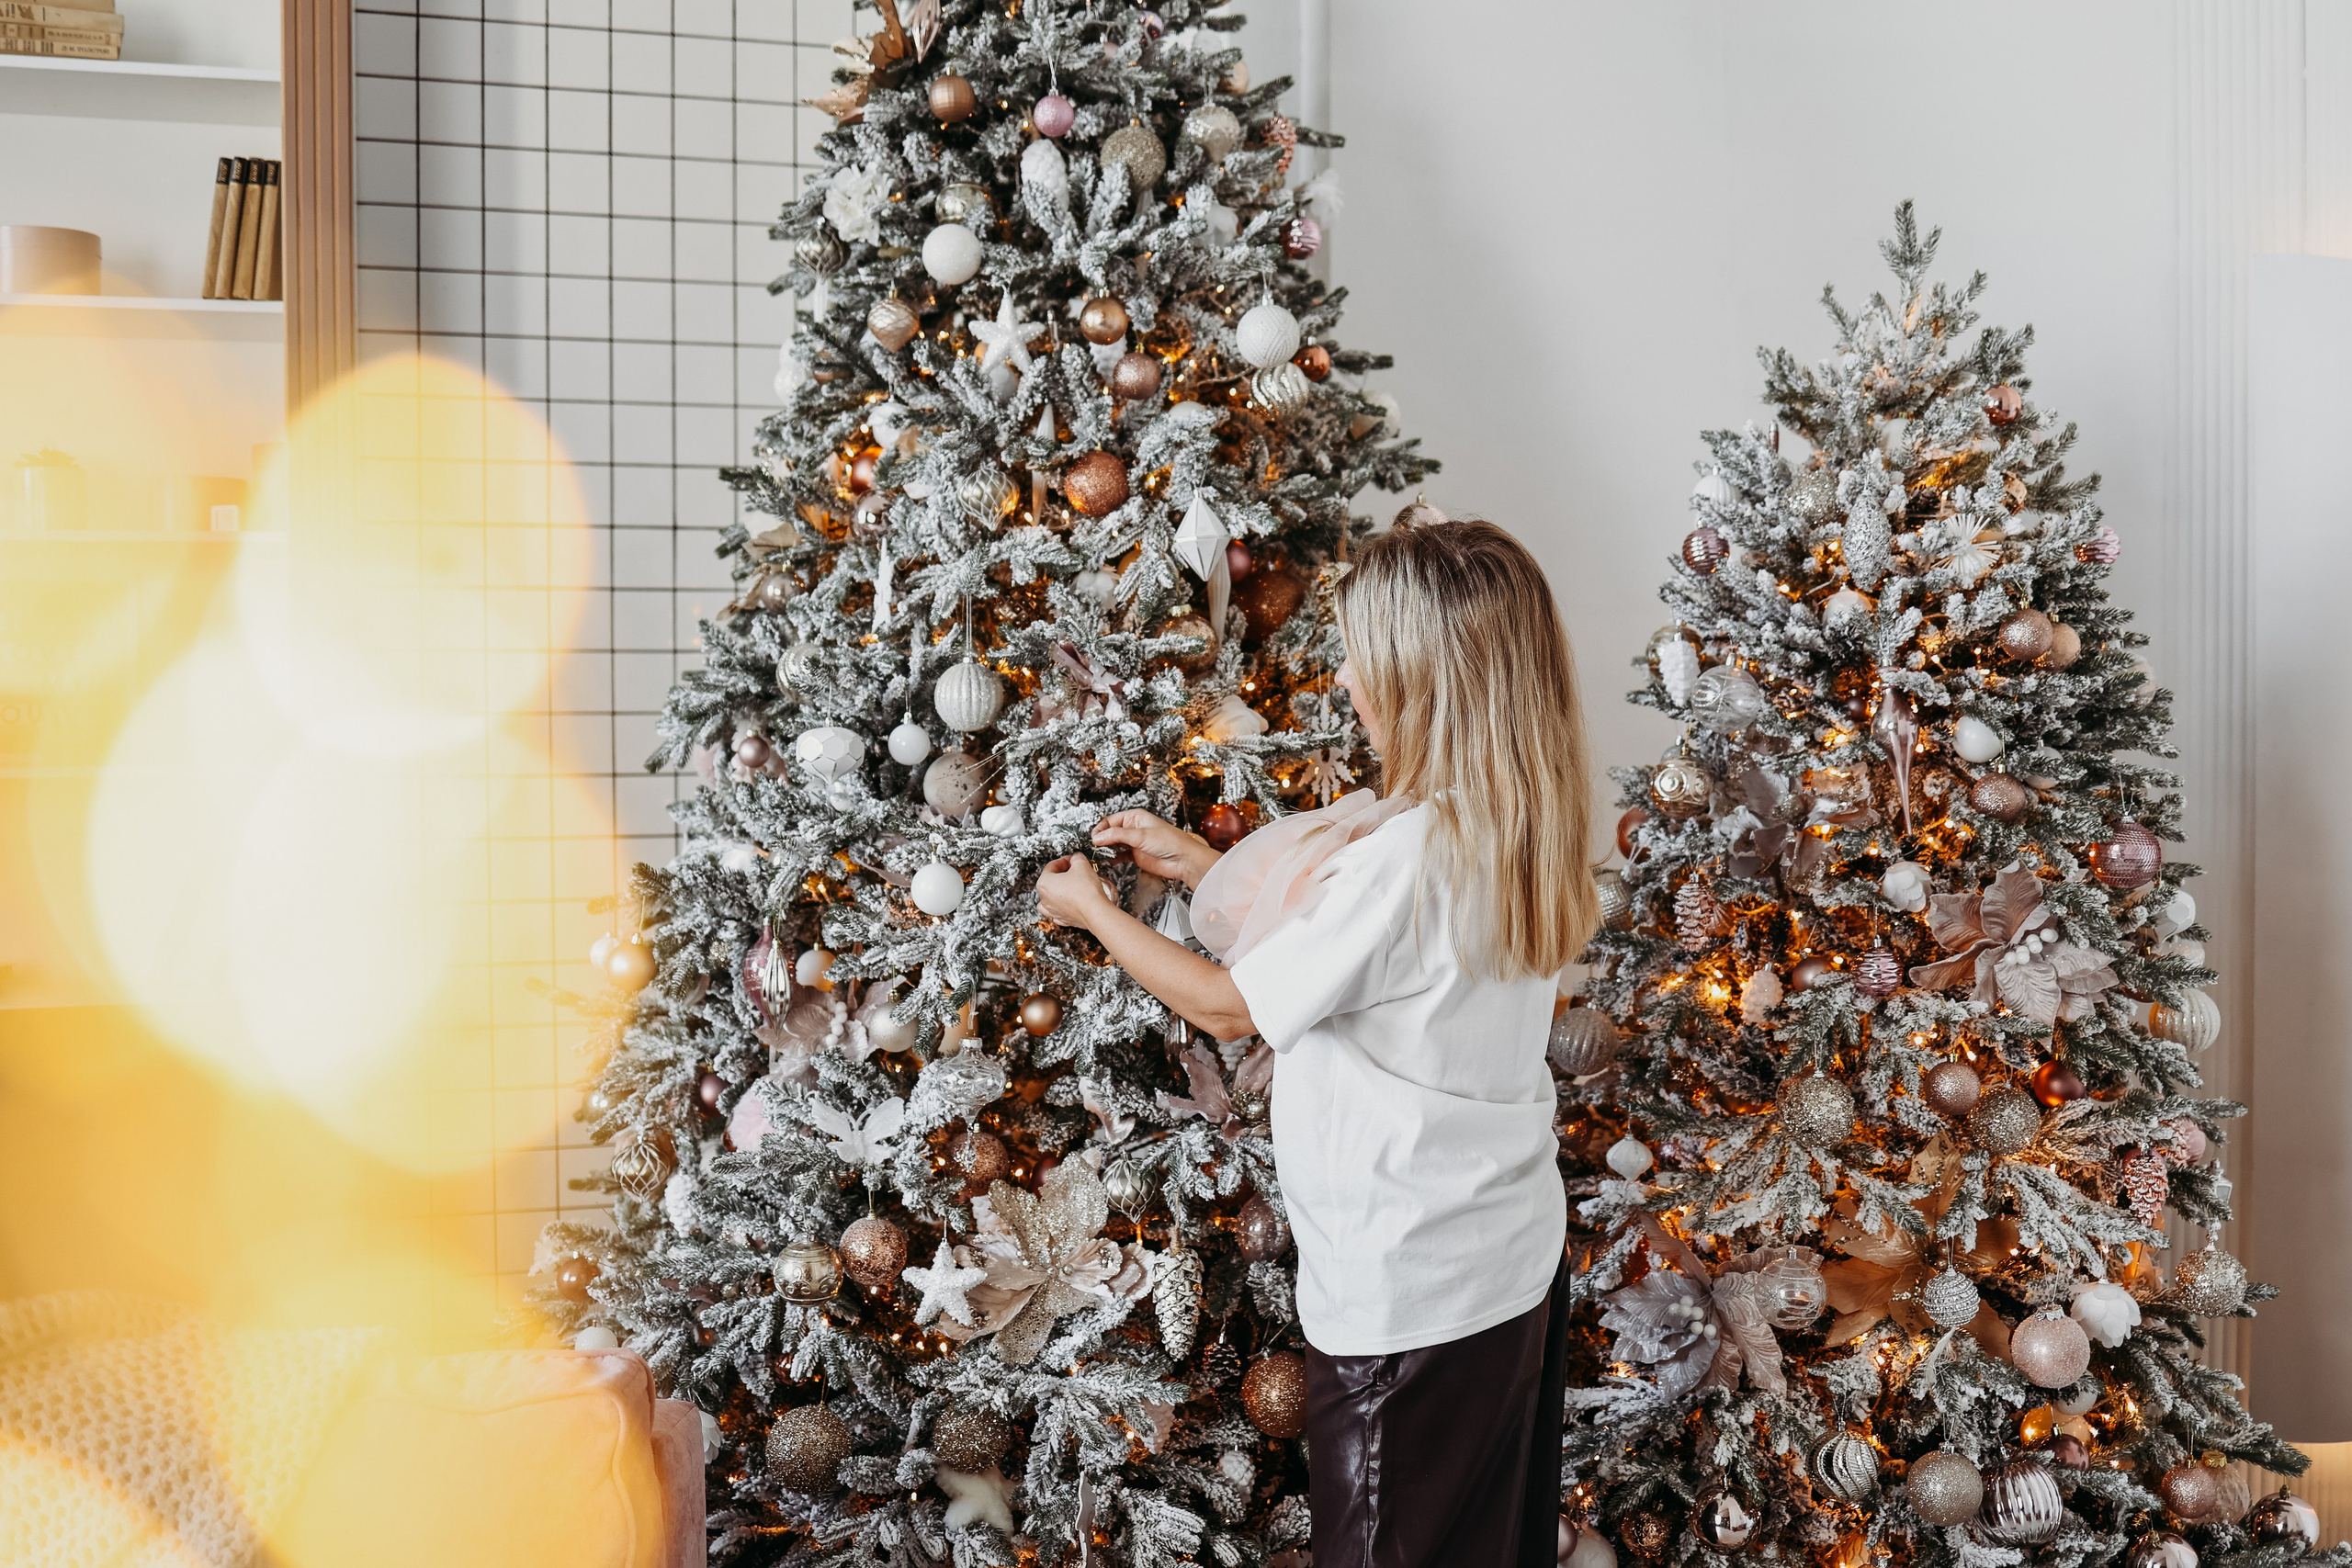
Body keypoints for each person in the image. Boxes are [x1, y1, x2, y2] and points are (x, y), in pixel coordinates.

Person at [1035, 511, 1598, 1568]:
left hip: (1410, 1293)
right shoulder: (1515, 822)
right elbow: (1367, 959)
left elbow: (1228, 1004)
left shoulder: (1406, 855)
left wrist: (1096, 916)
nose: (1346, 685)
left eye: (1363, 664)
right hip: (1510, 1263)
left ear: (1425, 682)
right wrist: (1198, 868)